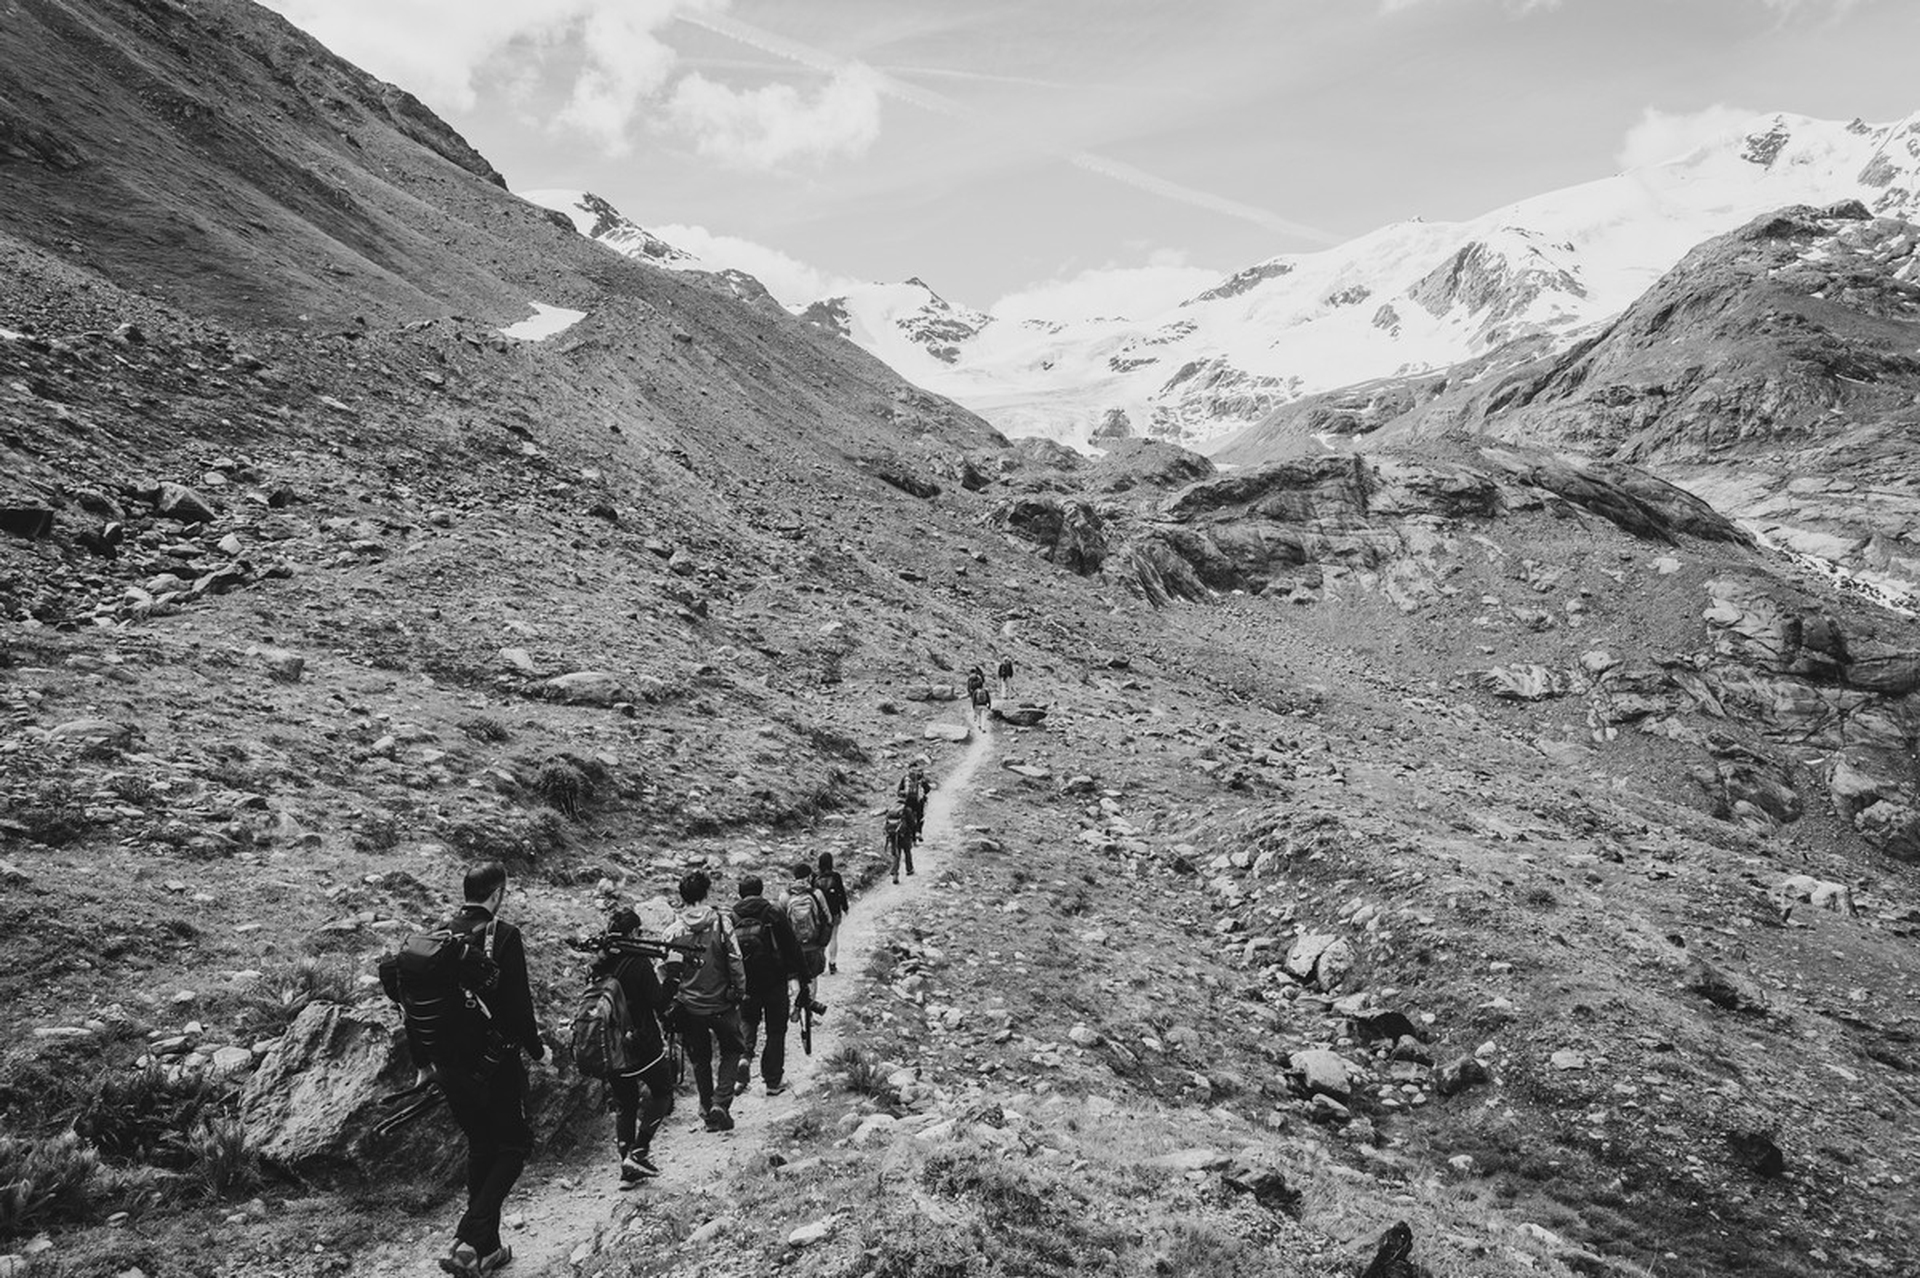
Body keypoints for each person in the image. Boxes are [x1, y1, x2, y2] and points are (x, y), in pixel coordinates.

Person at [408, 861, 543, 1278]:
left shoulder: (436, 937)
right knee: (515, 1146)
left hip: (447, 1066)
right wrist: (538, 1052)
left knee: (482, 1146)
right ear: (498, 894)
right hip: (494, 1062)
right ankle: (469, 1234)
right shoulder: (502, 935)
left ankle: (486, 1251)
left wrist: (422, 1062)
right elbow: (519, 1007)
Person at [588, 907, 673, 1186]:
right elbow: (658, 1001)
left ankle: (627, 1166)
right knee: (662, 1092)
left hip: (610, 1045)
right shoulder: (638, 963)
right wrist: (671, 984)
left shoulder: (599, 963)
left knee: (625, 1105)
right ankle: (639, 1150)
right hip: (642, 1042)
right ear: (635, 933)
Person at [662, 870, 747, 1132]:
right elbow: (735, 959)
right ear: (707, 893)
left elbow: (664, 972)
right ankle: (721, 1103)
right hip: (722, 1002)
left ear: (682, 897)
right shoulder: (721, 923)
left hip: (690, 1006)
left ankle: (707, 1110)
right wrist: (739, 990)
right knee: (732, 1050)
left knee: (700, 1059)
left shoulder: (673, 932)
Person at [729, 876, 804, 1097]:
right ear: (760, 891)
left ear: (740, 894)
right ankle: (772, 1081)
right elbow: (791, 946)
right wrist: (800, 976)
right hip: (774, 981)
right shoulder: (773, 913)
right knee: (775, 1030)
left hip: (746, 984)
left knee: (748, 1021)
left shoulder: (731, 917)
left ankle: (744, 1058)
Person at [779, 863, 833, 1018]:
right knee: (812, 977)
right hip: (814, 945)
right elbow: (827, 918)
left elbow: (781, 923)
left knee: (794, 975)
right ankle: (809, 1013)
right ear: (809, 876)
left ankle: (794, 1003)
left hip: (793, 947)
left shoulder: (785, 896)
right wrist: (823, 942)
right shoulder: (816, 893)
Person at [815, 852, 850, 975]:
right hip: (834, 910)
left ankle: (821, 965)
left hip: (821, 913)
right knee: (833, 937)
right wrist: (845, 907)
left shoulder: (815, 877)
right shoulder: (836, 876)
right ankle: (832, 963)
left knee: (821, 939)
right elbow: (842, 893)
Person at [885, 805, 914, 884]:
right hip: (904, 835)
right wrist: (912, 834)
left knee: (896, 855)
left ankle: (895, 874)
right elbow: (912, 823)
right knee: (907, 852)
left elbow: (886, 824)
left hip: (893, 836)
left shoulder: (892, 809)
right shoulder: (906, 809)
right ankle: (909, 869)